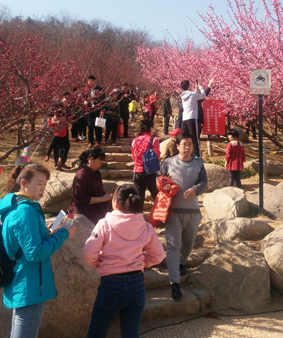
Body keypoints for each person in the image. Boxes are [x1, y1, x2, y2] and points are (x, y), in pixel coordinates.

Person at [0, 164, 76, 338]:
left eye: (45, 184)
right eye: (39, 183)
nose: (43, 188)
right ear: (24, 183)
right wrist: (63, 234)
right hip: (28, 284)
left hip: (25, 282)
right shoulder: (25, 211)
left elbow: (25, 241)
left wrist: (47, 232)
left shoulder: (17, 205)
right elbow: (34, 253)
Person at [83, 184, 165, 338]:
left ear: (115, 202)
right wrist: (143, 262)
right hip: (137, 283)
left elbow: (88, 252)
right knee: (131, 333)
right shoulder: (146, 227)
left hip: (111, 284)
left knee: (96, 333)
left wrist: (98, 263)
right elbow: (158, 255)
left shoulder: (104, 224)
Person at [159, 133, 207, 299]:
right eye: (184, 144)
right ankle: (175, 283)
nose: (187, 147)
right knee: (173, 246)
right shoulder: (168, 163)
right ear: (177, 146)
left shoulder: (198, 163)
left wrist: (195, 190)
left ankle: (181, 262)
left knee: (188, 244)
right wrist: (164, 186)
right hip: (173, 212)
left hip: (192, 212)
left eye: (190, 144)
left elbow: (204, 182)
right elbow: (161, 179)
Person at [69, 148, 113, 224]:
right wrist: (101, 199)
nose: (100, 165)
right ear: (91, 159)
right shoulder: (82, 175)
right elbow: (79, 198)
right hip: (83, 215)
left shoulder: (95, 173)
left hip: (95, 213)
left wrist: (108, 197)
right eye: (99, 162)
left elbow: (99, 191)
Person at [131, 119, 161, 201]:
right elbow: (156, 156)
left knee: (139, 198)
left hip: (137, 171)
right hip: (150, 172)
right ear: (151, 128)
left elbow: (134, 157)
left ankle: (139, 213)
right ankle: (157, 213)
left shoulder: (135, 140)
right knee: (156, 197)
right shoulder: (154, 140)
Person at [179, 80, 206, 157]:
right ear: (188, 86)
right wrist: (200, 87)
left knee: (185, 137)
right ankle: (197, 155)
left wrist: (196, 90)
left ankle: (184, 154)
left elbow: (194, 96)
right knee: (194, 137)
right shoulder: (193, 94)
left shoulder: (182, 96)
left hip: (184, 119)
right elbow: (203, 95)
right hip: (192, 118)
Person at [86, 76, 104, 148]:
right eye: (88, 81)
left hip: (98, 109)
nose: (89, 83)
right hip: (90, 110)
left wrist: (102, 110)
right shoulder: (87, 90)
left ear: (94, 81)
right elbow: (85, 98)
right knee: (90, 126)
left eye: (91, 81)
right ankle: (90, 141)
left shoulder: (100, 89)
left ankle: (98, 141)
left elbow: (103, 101)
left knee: (98, 126)